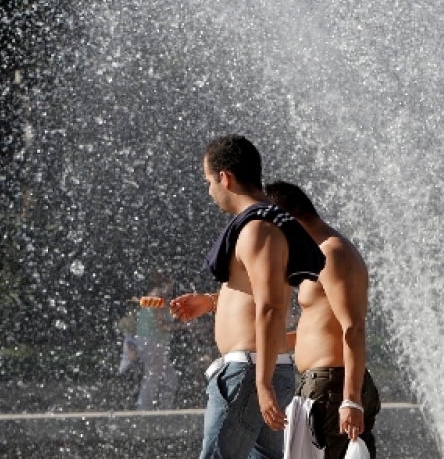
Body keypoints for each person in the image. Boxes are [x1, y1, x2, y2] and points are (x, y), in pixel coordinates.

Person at [169, 134, 326, 459]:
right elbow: (258, 293)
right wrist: (211, 302)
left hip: (250, 373)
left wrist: (263, 382)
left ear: (225, 177)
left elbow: (271, 305)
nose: (210, 191)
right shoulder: (265, 225)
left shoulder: (258, 229)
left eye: (208, 182)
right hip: (257, 370)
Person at [264, 180, 380, 459]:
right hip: (323, 385)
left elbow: (353, 327)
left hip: (333, 387)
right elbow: (321, 328)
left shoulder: (332, 253)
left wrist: (350, 399)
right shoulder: (318, 255)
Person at [134, 271, 182, 410]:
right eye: (170, 285)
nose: (171, 289)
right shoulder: (156, 297)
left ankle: (162, 409)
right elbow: (162, 325)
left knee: (167, 377)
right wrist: (184, 327)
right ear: (164, 284)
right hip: (152, 342)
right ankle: (144, 410)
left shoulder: (156, 298)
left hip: (149, 341)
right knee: (154, 376)